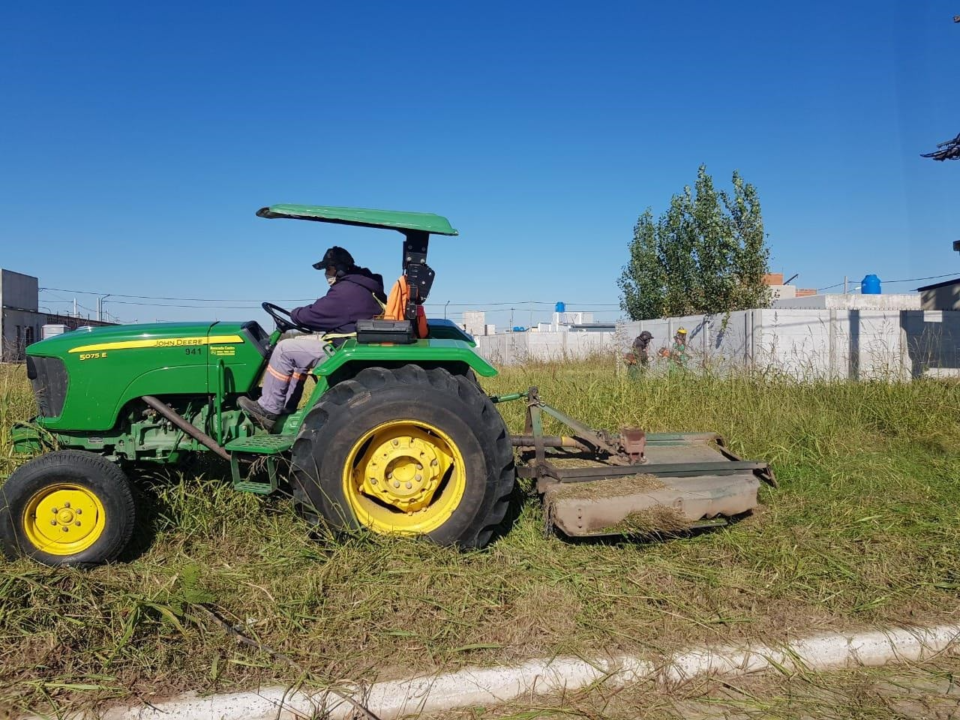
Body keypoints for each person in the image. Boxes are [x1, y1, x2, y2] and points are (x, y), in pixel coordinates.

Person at [239, 246, 386, 431]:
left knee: (284, 349)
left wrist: (295, 313)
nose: (326, 274)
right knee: (298, 355)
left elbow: (312, 314)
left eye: (328, 269)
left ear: (339, 268)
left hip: (342, 350)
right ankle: (286, 406)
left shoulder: (345, 292)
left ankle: (267, 409)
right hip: (349, 344)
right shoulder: (364, 286)